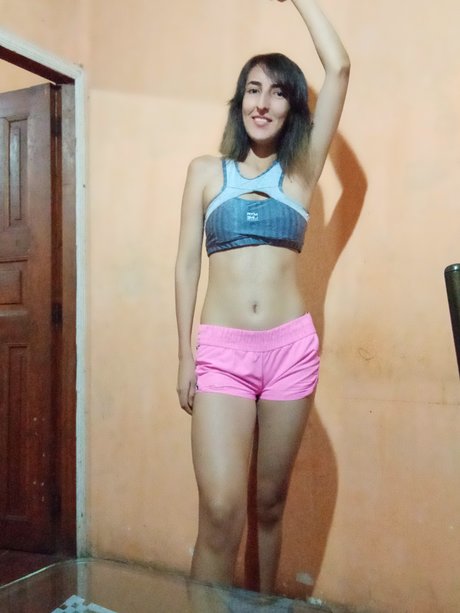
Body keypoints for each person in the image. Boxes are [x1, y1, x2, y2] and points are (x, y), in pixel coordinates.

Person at [175, 0, 350, 594]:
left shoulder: (301, 173)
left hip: (290, 352)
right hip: (222, 354)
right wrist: (185, 354)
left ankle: (262, 605)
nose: (263, 103)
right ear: (239, 101)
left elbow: (339, 67)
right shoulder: (206, 172)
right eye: (253, 89)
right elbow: (185, 265)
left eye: (278, 93)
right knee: (221, 510)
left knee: (270, 503)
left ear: (292, 107)